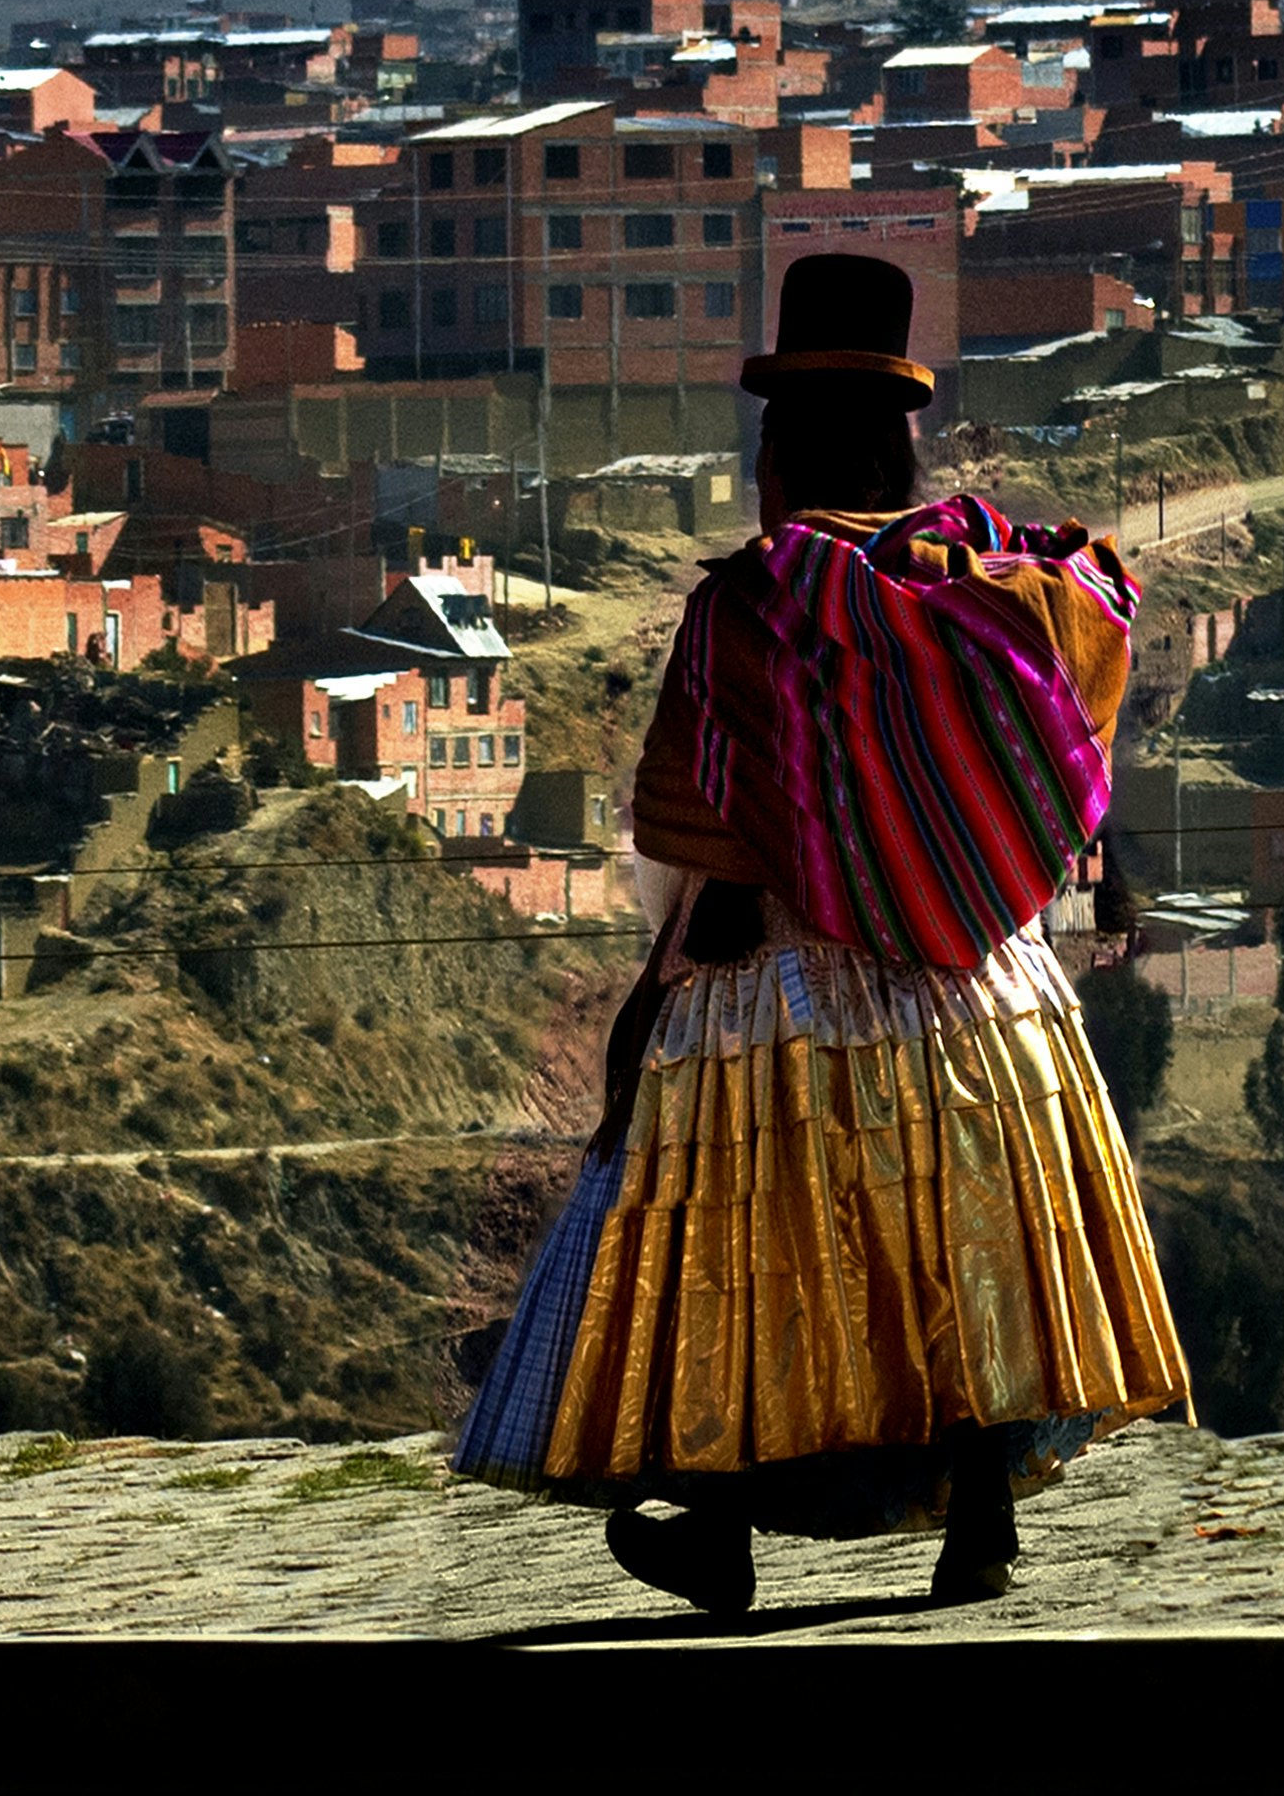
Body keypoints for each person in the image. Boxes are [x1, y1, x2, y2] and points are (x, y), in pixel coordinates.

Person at [452, 252, 1190, 1613]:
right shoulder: (982, 593)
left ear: (782, 446)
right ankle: (978, 1524)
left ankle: (721, 1529)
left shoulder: (753, 602)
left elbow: (693, 811)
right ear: (901, 442)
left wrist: (698, 933)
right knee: (960, 1243)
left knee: (746, 1250)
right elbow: (1027, 768)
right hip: (972, 986)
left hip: (779, 986)